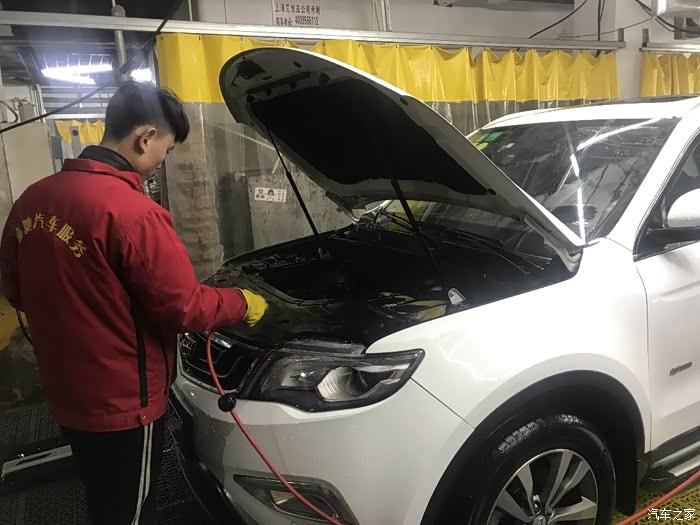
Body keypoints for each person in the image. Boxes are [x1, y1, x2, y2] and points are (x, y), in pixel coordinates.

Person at [0, 81, 268, 525]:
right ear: (145, 137)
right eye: (165, 150)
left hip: (68, 390)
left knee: (100, 491)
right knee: (130, 510)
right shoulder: (132, 213)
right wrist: (243, 302)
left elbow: (14, 289)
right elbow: (184, 308)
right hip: (124, 404)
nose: (162, 161)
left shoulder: (33, 200)